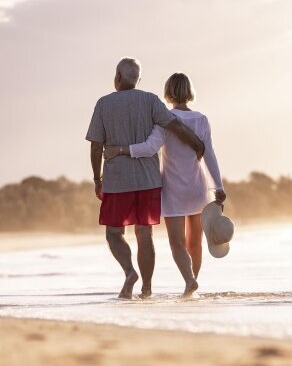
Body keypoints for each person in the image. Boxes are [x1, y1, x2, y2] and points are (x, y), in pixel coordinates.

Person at [85, 58, 205, 300]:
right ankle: (147, 289)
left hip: (117, 180)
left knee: (114, 234)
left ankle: (130, 273)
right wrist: (197, 144)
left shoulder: (103, 104)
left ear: (117, 77)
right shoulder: (150, 100)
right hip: (149, 181)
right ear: (138, 80)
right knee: (144, 234)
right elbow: (175, 126)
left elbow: (96, 146)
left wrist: (97, 178)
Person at [104, 73, 226, 297]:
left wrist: (122, 150)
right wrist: (218, 187)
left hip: (173, 188)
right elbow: (210, 155)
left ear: (168, 91)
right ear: (189, 91)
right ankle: (192, 286)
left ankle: (189, 282)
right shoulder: (201, 119)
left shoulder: (164, 119)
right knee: (195, 243)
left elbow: (150, 147)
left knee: (177, 243)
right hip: (198, 186)